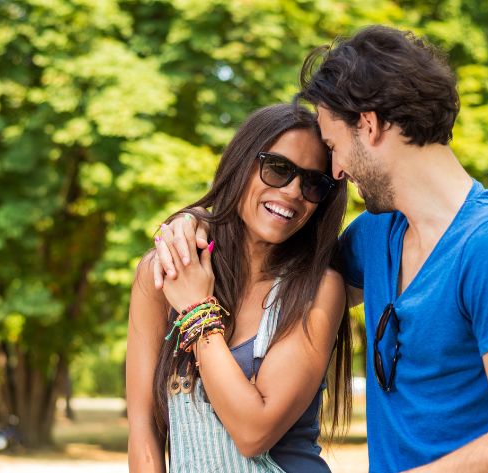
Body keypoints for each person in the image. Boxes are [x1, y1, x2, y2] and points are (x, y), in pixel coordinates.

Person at [159, 25, 488, 473]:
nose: (336, 170)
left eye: (333, 146)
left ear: (369, 126)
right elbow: (274, 259)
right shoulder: (376, 235)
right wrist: (196, 223)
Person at [127, 104, 352, 472]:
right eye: (277, 168)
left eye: (313, 183)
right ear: (241, 165)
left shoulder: (318, 290)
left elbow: (254, 432)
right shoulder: (164, 272)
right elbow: (143, 429)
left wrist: (198, 311)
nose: (294, 191)